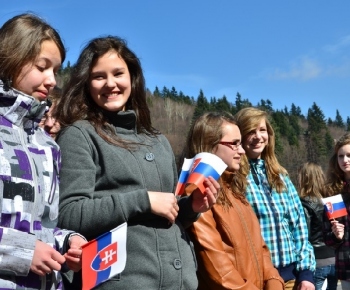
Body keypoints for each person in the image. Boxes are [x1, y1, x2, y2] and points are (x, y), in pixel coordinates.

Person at [54, 35, 219, 289]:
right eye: (99, 76)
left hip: (181, 281)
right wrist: (143, 200)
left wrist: (192, 207)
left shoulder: (158, 140)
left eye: (118, 73)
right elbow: (70, 214)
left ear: (132, 77)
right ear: (87, 84)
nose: (110, 84)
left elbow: (169, 212)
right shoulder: (79, 135)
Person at [0, 13, 86, 289]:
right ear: (11, 58)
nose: (51, 80)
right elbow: (28, 245)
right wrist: (21, 252)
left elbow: (44, 227)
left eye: (56, 70)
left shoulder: (47, 145)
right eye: (41, 66)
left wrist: (68, 241)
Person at [183, 111, 284, 290]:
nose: (242, 150)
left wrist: (274, 283)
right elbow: (218, 271)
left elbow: (261, 249)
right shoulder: (198, 193)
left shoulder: (236, 191)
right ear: (210, 144)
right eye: (234, 144)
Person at [234, 107, 316, 290]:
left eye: (262, 130)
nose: (258, 136)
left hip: (291, 279)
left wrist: (306, 274)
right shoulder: (234, 178)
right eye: (250, 131)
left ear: (269, 134)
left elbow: (299, 229)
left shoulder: (281, 177)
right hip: (256, 279)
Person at [297, 162, 337, 290]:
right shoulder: (331, 200)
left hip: (316, 260)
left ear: (304, 178)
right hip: (334, 258)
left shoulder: (303, 203)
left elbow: (304, 235)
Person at [323, 132, 350, 289]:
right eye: (341, 156)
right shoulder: (333, 193)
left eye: (349, 155)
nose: (345, 160)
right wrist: (336, 236)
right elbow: (327, 237)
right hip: (346, 268)